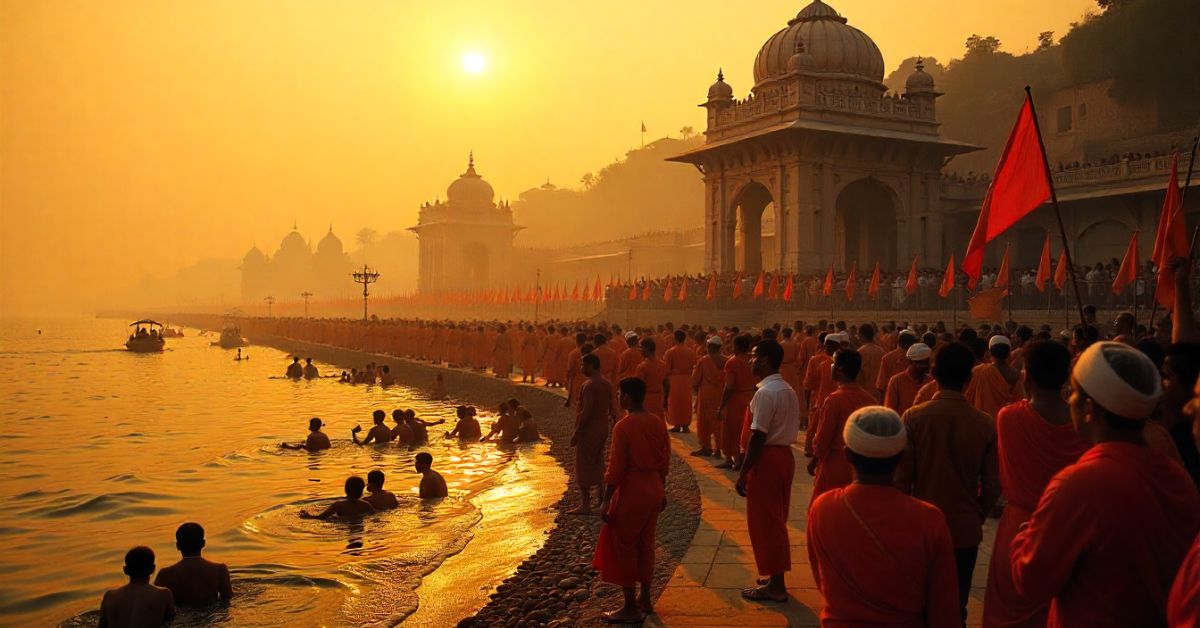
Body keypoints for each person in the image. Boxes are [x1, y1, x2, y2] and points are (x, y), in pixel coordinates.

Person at [1010, 342, 1200, 626]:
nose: (1069, 400)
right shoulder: (1178, 478)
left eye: (1074, 393)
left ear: (1089, 407)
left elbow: (1031, 579)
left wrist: (1025, 538)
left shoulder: (1080, 484)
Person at [807, 407, 958, 627]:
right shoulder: (929, 519)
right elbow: (944, 606)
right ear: (903, 457)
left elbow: (822, 580)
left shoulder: (824, 508)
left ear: (847, 455)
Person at [983, 340, 1089, 628]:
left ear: (1027, 377)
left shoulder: (1008, 417)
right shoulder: (1084, 425)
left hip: (1019, 525)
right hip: (1069, 527)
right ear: (1067, 377)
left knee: (1008, 613)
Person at [896, 341, 1000, 624]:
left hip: (921, 526)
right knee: (957, 604)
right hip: (963, 527)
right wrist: (978, 513)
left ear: (933, 372)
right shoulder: (984, 423)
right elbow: (993, 484)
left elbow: (902, 479)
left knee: (920, 603)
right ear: (969, 378)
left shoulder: (914, 417)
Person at [592, 377, 670, 623]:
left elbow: (616, 467)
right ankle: (644, 598)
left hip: (633, 490)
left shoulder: (624, 426)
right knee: (646, 545)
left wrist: (606, 499)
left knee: (624, 545)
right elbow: (664, 461)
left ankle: (629, 607)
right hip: (653, 486)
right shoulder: (658, 422)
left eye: (619, 394)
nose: (618, 398)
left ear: (626, 397)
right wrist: (661, 489)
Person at [737, 339, 801, 603]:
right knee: (776, 518)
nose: (750, 361)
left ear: (764, 360)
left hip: (767, 459)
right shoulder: (787, 389)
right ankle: (774, 574)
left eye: (753, 356)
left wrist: (744, 471)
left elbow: (758, 436)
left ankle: (777, 585)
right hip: (783, 457)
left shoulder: (765, 393)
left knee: (767, 523)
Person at [808, 348, 876, 501]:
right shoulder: (870, 399)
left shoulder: (834, 400)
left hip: (835, 462)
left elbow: (823, 437)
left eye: (833, 363)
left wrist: (815, 458)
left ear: (839, 370)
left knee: (826, 504)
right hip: (860, 466)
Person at [571, 354, 614, 514]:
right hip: (602, 427)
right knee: (598, 462)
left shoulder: (589, 385)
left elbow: (587, 411)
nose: (581, 368)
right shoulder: (606, 383)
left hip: (590, 429)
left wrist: (577, 431)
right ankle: (601, 499)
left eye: (583, 365)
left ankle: (585, 504)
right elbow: (612, 408)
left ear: (591, 366)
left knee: (584, 464)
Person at [153, 523, 233, 607]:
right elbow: (227, 599)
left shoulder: (165, 574)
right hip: (211, 613)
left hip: (181, 613)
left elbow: (156, 603)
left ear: (178, 545)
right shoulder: (220, 570)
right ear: (203, 543)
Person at [98, 546, 175, 628]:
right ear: (152, 569)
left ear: (125, 570)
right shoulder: (163, 594)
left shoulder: (109, 596)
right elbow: (170, 621)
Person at [716, 334, 756, 469]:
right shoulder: (752, 360)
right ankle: (743, 457)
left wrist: (721, 405)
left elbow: (729, 386)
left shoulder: (732, 362)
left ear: (737, 347)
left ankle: (733, 459)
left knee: (731, 430)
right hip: (750, 397)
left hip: (735, 400)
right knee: (745, 429)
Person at [965, 335, 1024, 418]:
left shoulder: (978, 371)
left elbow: (968, 399)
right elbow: (1019, 401)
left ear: (989, 352)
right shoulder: (1016, 374)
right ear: (1009, 353)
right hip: (1006, 420)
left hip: (983, 421)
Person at [690, 335, 728, 458]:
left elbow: (695, 380)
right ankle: (718, 450)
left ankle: (706, 447)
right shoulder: (726, 361)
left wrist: (695, 388)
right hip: (721, 395)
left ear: (708, 347)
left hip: (706, 395)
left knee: (704, 422)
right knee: (718, 423)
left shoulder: (704, 361)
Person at [663, 330, 698, 433]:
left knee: (675, 403)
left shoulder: (670, 352)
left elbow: (666, 369)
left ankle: (677, 424)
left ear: (675, 339)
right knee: (686, 403)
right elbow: (694, 366)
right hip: (687, 380)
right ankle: (685, 425)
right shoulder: (691, 352)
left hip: (674, 380)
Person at [883, 342, 931, 415]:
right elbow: (890, 411)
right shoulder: (896, 382)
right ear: (910, 362)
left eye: (926, 363)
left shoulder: (931, 381)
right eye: (921, 363)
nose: (925, 366)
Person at [301, 476, 376, 520]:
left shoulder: (338, 505)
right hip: (359, 525)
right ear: (361, 491)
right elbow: (374, 515)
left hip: (343, 525)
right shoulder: (366, 505)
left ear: (346, 490)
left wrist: (308, 516)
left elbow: (321, 517)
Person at [635, 338, 669, 418]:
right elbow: (667, 385)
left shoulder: (642, 367)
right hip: (659, 399)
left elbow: (638, 387)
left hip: (646, 400)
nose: (640, 350)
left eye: (640, 348)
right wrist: (665, 400)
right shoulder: (663, 365)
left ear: (645, 349)